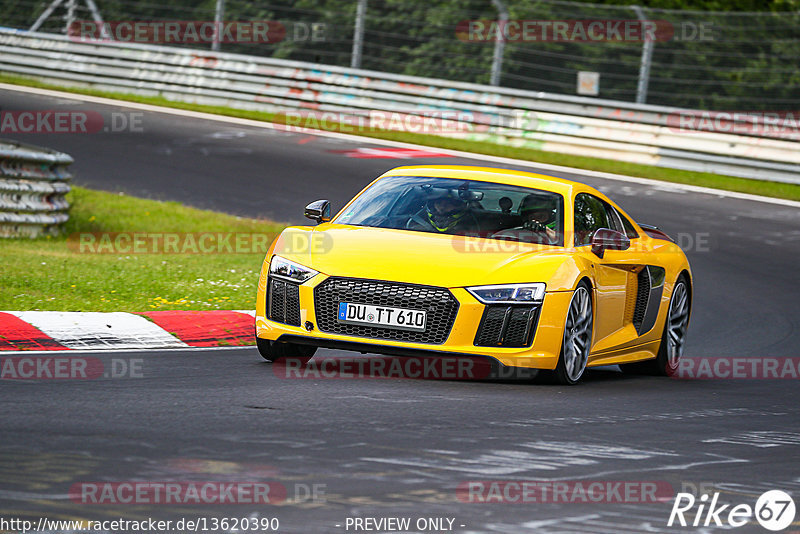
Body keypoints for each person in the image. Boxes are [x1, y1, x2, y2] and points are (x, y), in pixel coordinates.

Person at [491, 194, 559, 244]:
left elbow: (562, 242)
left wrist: (545, 230)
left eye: (540, 217)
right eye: (531, 217)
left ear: (550, 214)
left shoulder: (561, 226)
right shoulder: (513, 229)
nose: (534, 221)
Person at [406, 194, 479, 235]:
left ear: (458, 206)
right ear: (432, 204)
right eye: (439, 203)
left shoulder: (474, 224)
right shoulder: (413, 224)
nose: (442, 207)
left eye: (448, 204)